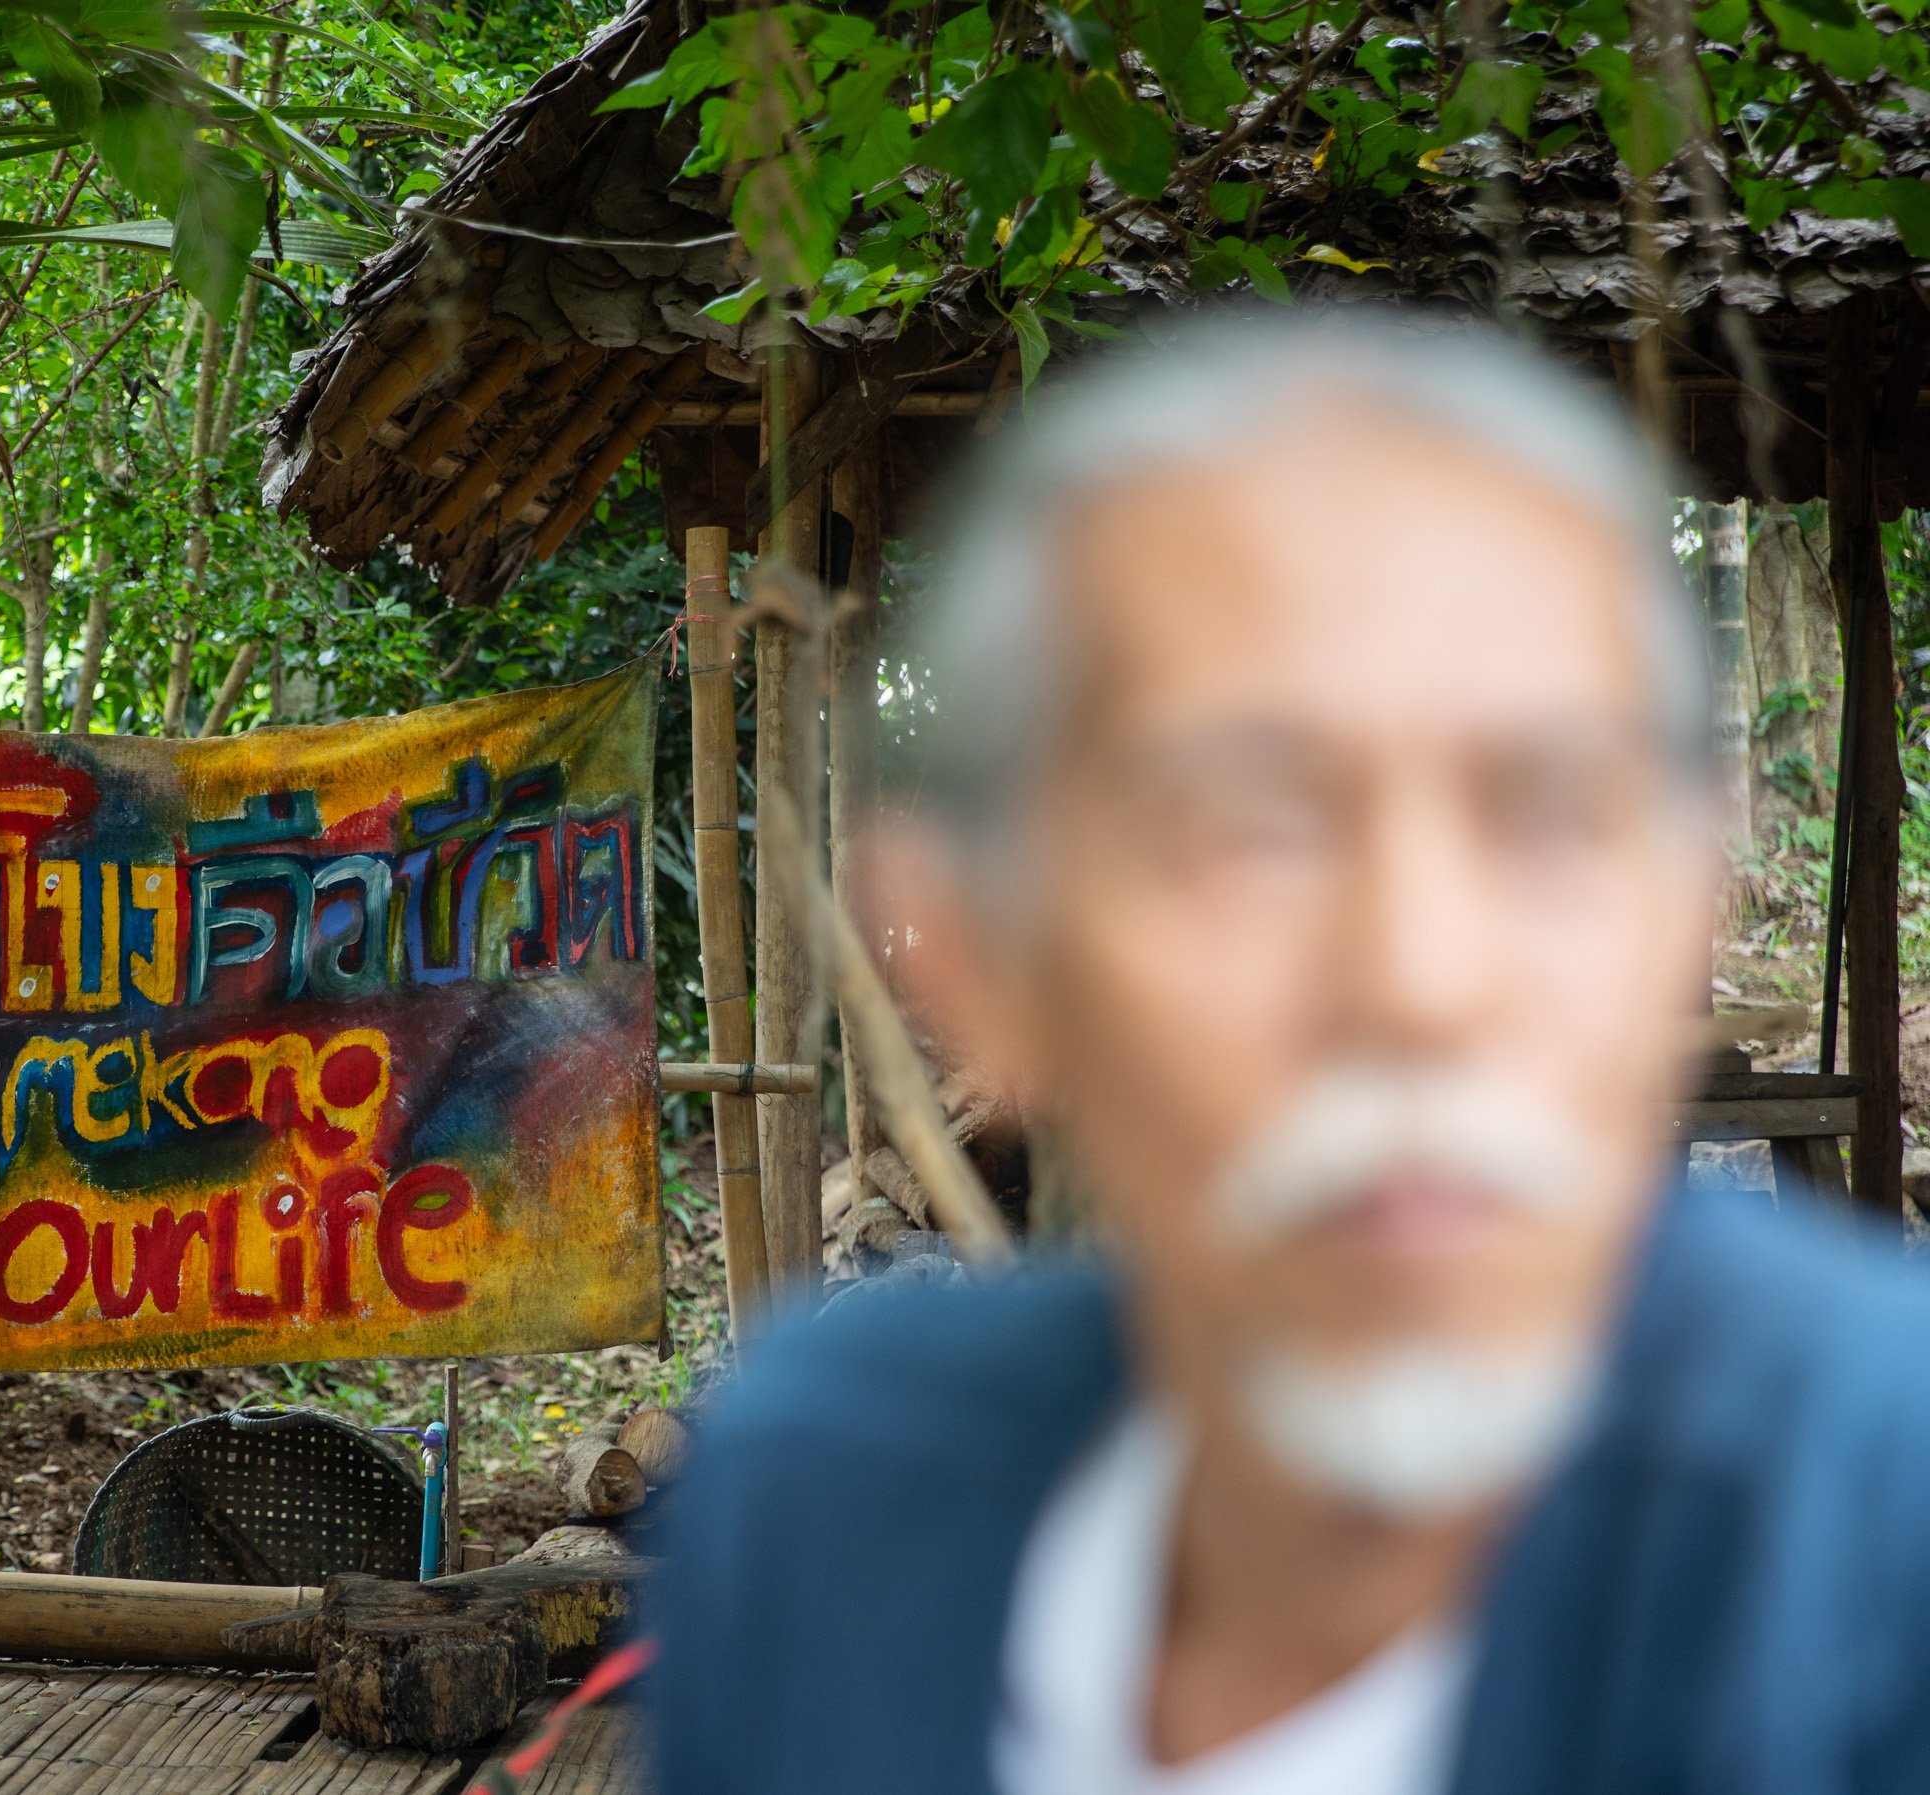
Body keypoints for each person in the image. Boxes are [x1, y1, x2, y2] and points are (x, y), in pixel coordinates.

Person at [644, 308, 1930, 1794]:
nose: (1420, 982)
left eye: (1547, 817)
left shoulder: (1883, 1538)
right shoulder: (826, 1505)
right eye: (1245, 831)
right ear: (982, 955)